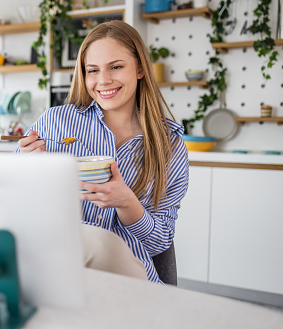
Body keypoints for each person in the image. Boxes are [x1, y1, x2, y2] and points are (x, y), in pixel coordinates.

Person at [14, 20, 189, 284]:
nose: (103, 80)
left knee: (99, 244)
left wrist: (126, 203)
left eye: (116, 67)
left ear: (140, 68)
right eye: (92, 70)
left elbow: (159, 243)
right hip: (56, 265)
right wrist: (25, 167)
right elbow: (11, 196)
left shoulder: (170, 145)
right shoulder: (55, 122)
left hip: (126, 278)